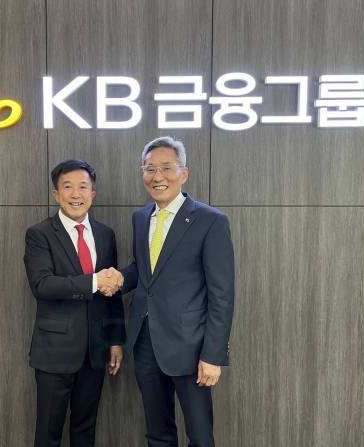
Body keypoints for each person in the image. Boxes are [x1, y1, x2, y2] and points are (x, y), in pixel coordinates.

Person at [102, 137, 235, 447]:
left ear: (183, 173)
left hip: (192, 346)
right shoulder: (140, 218)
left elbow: (222, 294)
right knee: (157, 433)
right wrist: (119, 278)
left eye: (166, 168)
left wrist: (213, 355)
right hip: (146, 341)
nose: (157, 176)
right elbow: (145, 271)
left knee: (200, 436)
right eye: (150, 169)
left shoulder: (210, 221)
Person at [23, 159, 126, 447]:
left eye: (83, 187)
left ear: (93, 194)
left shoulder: (105, 235)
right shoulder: (40, 234)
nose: (76, 194)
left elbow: (112, 294)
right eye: (68, 187)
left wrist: (115, 340)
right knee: (48, 433)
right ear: (56, 194)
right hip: (55, 351)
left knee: (85, 430)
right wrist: (93, 281)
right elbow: (42, 285)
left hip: (95, 351)